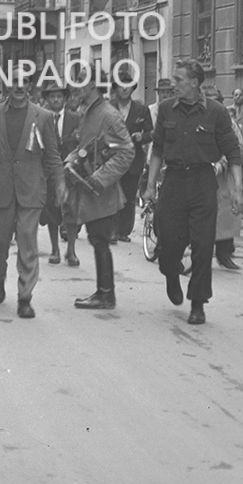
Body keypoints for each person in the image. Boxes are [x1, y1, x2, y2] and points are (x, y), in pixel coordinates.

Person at [143, 62, 242, 324]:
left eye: (179, 79)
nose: (173, 84)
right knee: (169, 242)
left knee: (202, 244)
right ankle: (171, 273)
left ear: (195, 82)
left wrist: (237, 190)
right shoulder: (166, 110)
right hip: (173, 181)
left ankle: (198, 303)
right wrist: (150, 186)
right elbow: (158, 150)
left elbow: (233, 152)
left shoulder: (217, 113)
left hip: (202, 182)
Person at [0, 77, 64, 319]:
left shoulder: (44, 117)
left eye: (23, 82)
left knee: (28, 241)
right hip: (1, 188)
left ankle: (25, 297)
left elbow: (52, 154)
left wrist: (59, 182)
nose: (18, 87)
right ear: (7, 85)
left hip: (31, 189)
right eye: (14, 81)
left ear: (29, 86)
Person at [65, 64, 135, 311]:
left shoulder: (108, 114)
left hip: (101, 191)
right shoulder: (89, 112)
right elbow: (87, 145)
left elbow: (126, 152)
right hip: (89, 188)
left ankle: (106, 295)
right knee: (97, 239)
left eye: (80, 81)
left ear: (93, 85)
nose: (75, 86)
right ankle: (103, 292)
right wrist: (73, 158)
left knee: (100, 239)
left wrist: (100, 177)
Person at [39, 81, 82, 266]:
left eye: (59, 97)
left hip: (71, 172)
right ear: (47, 100)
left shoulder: (76, 118)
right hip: (49, 173)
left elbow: (83, 144)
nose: (56, 100)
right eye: (52, 97)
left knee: (72, 212)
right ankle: (55, 249)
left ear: (65, 99)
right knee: (52, 212)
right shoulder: (41, 118)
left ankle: (71, 251)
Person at [203, 84, 243, 270]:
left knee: (226, 216)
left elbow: (238, 149)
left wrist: (222, 163)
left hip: (223, 177)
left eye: (216, 100)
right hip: (200, 174)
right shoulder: (196, 119)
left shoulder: (229, 123)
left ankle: (224, 254)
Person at [109, 80, 153, 244]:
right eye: (121, 85)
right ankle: (111, 229)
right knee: (112, 193)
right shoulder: (108, 108)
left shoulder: (141, 109)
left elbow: (151, 132)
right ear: (116, 88)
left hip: (133, 159)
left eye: (128, 85)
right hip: (111, 157)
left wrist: (143, 137)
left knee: (128, 195)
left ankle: (124, 230)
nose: (125, 89)